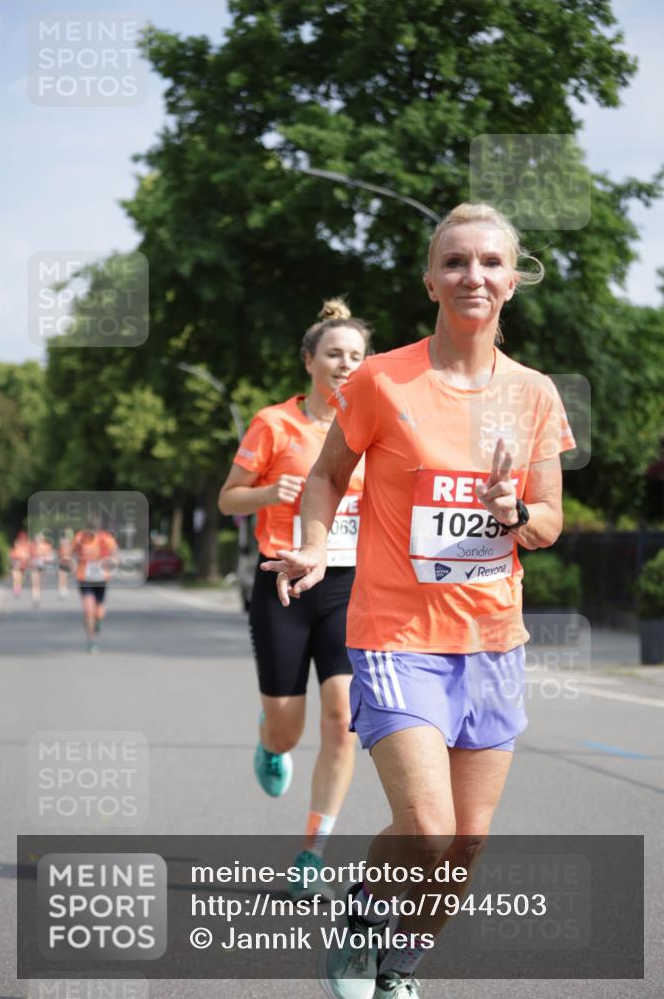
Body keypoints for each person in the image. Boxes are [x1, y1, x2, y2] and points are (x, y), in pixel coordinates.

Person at [264, 204, 576, 999]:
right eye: (455, 262)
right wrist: (308, 540)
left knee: (465, 846)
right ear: (431, 277)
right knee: (429, 833)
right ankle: (363, 913)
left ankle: (399, 963)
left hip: (493, 641)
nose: (472, 276)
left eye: (489, 263)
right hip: (395, 634)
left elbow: (546, 523)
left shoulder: (535, 394)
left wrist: (511, 510)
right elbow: (329, 476)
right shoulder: (380, 379)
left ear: (512, 279)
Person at [219, 298, 372, 898]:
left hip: (347, 585)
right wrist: (268, 493)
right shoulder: (273, 424)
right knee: (288, 731)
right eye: (334, 354)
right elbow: (230, 497)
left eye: (357, 356)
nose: (345, 364)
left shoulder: (374, 426)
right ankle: (269, 738)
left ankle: (314, 848)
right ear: (310, 360)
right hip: (280, 583)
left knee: (342, 722)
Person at [72, 520, 119, 653]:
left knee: (99, 612)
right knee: (88, 609)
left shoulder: (106, 538)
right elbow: (71, 552)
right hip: (84, 577)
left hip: (101, 579)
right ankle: (91, 641)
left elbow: (115, 553)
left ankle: (97, 621)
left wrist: (112, 561)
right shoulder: (79, 537)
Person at [28, 532, 55, 607]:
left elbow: (51, 557)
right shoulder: (32, 546)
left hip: (42, 566)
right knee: (34, 581)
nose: (39, 539)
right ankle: (35, 596)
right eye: (38, 538)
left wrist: (45, 558)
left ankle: (38, 595)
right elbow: (28, 555)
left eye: (41, 538)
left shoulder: (46, 546)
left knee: (38, 581)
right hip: (34, 565)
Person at [9, 531, 30, 599]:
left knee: (20, 578)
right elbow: (11, 555)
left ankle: (18, 589)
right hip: (16, 562)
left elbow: (27, 556)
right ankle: (16, 590)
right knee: (16, 577)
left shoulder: (25, 546)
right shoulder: (16, 546)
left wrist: (25, 562)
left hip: (22, 564)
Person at [57, 528, 74, 599]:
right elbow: (60, 554)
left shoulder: (70, 544)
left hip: (68, 562)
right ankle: (61, 590)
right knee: (62, 576)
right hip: (63, 561)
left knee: (64, 577)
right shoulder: (62, 543)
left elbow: (71, 553)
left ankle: (63, 589)